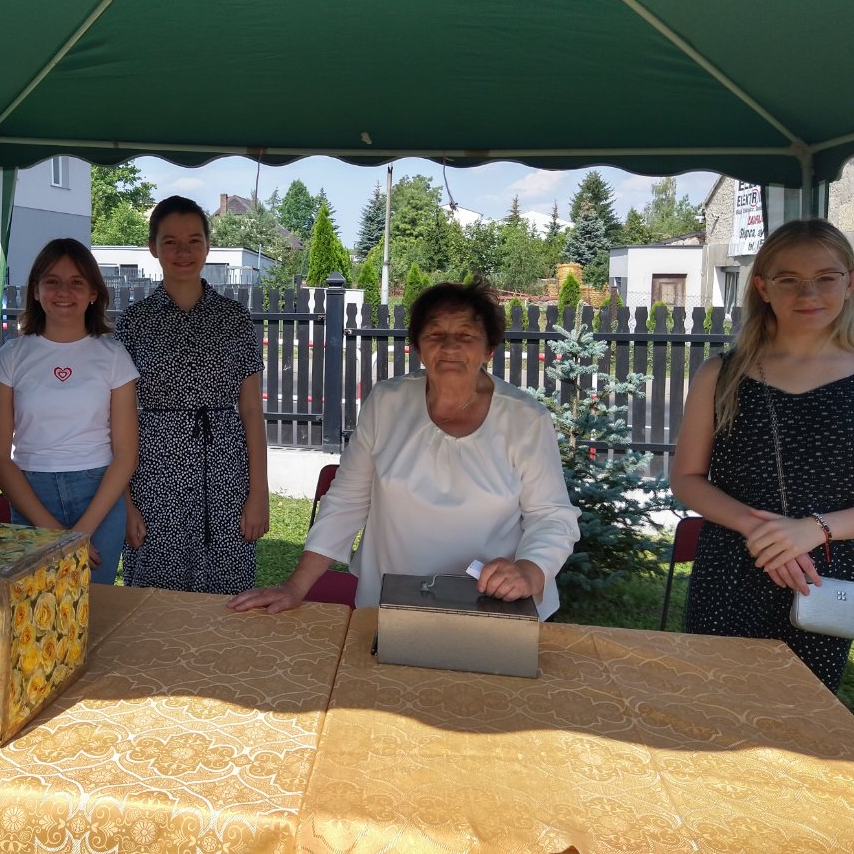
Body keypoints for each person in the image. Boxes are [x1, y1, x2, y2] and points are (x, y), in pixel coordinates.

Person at [229, 279, 579, 618]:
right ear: (417, 346)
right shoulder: (387, 403)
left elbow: (551, 516)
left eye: (466, 336)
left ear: (489, 348)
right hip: (389, 603)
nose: (450, 347)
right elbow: (347, 500)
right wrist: (295, 586)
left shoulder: (525, 419)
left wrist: (529, 572)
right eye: (436, 335)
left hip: (490, 608)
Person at [670, 218, 854, 690]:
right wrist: (759, 529)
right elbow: (687, 477)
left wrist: (811, 531)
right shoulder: (722, 372)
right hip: (732, 564)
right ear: (762, 286)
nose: (808, 293)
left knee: (804, 713)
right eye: (789, 280)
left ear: (851, 281)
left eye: (826, 277)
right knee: (714, 701)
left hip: (822, 575)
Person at [115, 196, 269, 594]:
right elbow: (117, 417)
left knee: (227, 592)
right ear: (153, 247)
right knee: (154, 596)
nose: (183, 252)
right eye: (170, 241)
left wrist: (259, 493)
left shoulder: (233, 318)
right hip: (154, 474)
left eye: (194, 241)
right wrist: (126, 505)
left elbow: (251, 410)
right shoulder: (134, 323)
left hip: (226, 473)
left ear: (208, 245)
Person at [0, 239, 138, 585]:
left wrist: (82, 532)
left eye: (77, 282)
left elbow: (126, 454)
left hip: (98, 498)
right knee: (32, 611)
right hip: (30, 496)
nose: (63, 291)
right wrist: (54, 532)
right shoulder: (12, 355)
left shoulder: (114, 357)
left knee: (92, 610)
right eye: (52, 281)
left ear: (93, 294)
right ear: (36, 291)